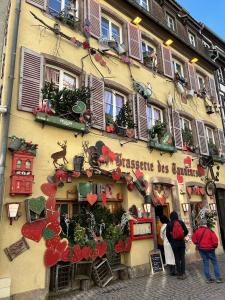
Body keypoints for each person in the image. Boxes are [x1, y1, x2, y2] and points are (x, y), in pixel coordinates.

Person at [192, 218, 223, 283]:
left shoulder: (197, 231)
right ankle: (218, 278)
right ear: (206, 224)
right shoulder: (210, 231)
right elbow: (215, 241)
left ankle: (208, 279)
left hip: (202, 249)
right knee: (215, 263)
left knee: (205, 263)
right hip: (210, 249)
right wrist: (214, 246)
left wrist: (197, 243)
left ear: (200, 224)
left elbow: (194, 239)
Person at [166, 211, 188, 279]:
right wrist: (182, 236)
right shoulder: (181, 222)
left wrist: (171, 241)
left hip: (174, 244)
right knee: (182, 258)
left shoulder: (169, 224)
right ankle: (183, 273)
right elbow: (186, 231)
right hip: (181, 243)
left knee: (177, 258)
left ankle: (179, 273)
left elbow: (167, 235)